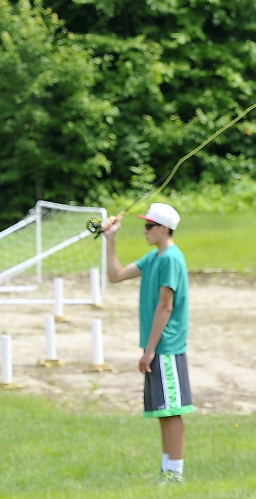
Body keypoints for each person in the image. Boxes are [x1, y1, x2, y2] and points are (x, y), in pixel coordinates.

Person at [102, 202, 193, 483]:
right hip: (156, 347)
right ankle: (167, 470)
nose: (144, 231)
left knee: (172, 411)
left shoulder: (170, 259)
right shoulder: (154, 258)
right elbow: (115, 275)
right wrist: (111, 238)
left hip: (166, 347)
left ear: (164, 229)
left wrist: (150, 350)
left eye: (149, 226)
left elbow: (165, 307)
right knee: (162, 411)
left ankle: (175, 473)